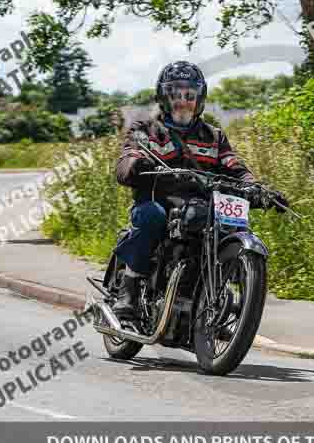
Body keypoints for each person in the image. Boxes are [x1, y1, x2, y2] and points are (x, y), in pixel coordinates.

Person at [112, 61, 288, 316]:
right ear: (164, 97)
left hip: (201, 204)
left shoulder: (214, 137)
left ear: (199, 98)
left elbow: (234, 166)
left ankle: (202, 293)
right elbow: (129, 155)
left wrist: (257, 189)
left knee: (223, 227)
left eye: (190, 95)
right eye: (175, 94)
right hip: (158, 200)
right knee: (152, 216)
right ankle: (130, 285)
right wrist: (134, 165)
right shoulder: (146, 129)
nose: (183, 101)